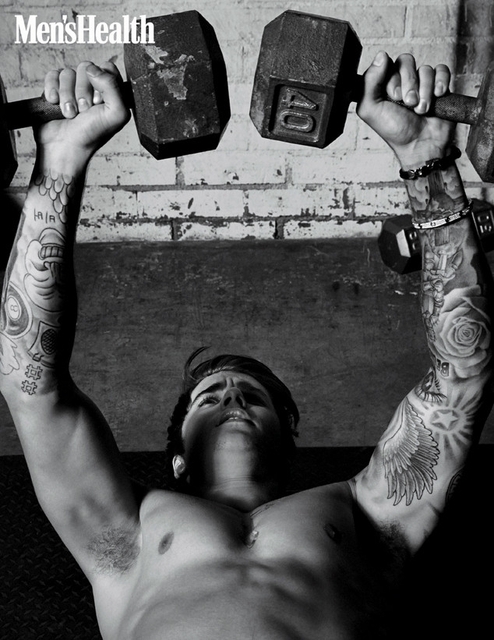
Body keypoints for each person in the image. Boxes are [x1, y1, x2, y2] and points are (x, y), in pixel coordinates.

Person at [0, 50, 492, 640]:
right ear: (177, 459)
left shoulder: (364, 513)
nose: (232, 396)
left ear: (289, 446)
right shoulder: (127, 534)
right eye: (209, 398)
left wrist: (425, 159)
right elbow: (32, 383)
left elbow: (463, 375)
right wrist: (60, 159)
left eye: (250, 397)